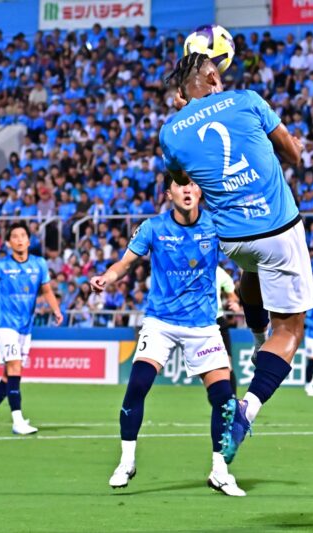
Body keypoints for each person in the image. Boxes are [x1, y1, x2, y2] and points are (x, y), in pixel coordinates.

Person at [160, 53, 313, 463]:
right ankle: (247, 409)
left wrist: (184, 119)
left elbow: (179, 178)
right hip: (277, 229)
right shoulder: (247, 100)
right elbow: (294, 155)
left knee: (251, 272)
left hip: (231, 236)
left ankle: (259, 338)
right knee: (292, 330)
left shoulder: (171, 131)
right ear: (213, 75)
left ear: (180, 92)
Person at [91, 177, 244, 497]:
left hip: (202, 325)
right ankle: (127, 461)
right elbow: (125, 263)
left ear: (200, 190)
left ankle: (220, 471)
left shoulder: (216, 225)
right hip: (160, 322)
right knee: (137, 385)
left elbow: (247, 250)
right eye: (180, 186)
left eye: (192, 185)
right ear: (169, 194)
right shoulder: (153, 227)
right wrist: (108, 277)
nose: (187, 190)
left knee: (224, 398)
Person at [0, 222, 63, 435]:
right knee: (15, 368)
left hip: (25, 329)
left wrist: (56, 310)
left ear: (28, 240)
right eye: (14, 236)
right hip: (5, 326)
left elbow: (46, 290)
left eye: (23, 235)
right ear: (8, 243)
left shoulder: (39, 264)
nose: (19, 239)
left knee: (9, 377)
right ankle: (17, 421)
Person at [216, 266, 241, 393]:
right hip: (194, 323)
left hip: (217, 321)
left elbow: (233, 296)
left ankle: (233, 404)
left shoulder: (219, 273)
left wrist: (234, 303)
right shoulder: (189, 269)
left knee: (227, 364)